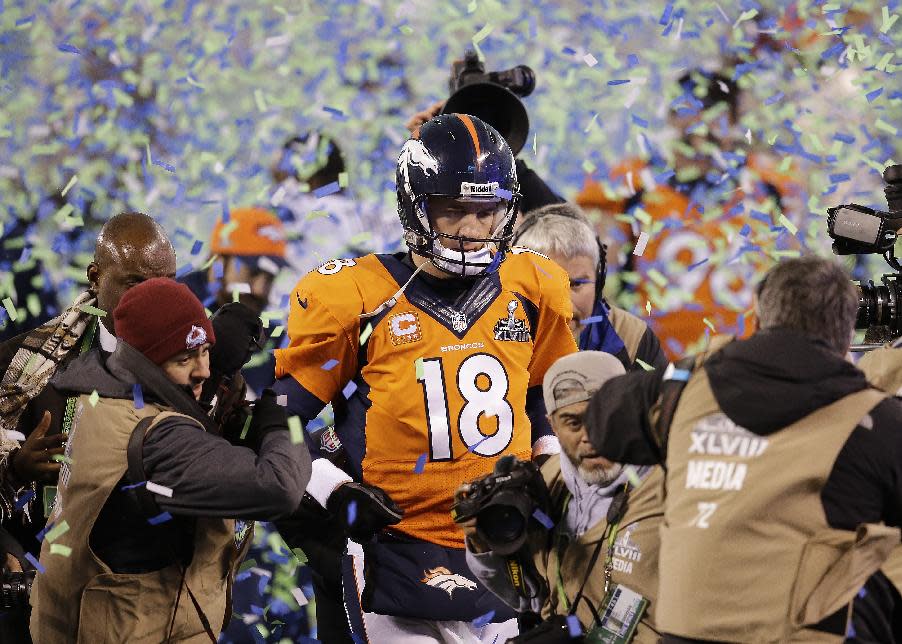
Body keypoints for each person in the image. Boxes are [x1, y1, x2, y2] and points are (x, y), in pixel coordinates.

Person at [272, 113, 577, 642]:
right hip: (394, 546)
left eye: (487, 212)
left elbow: (541, 397)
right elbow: (276, 420)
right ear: (415, 205)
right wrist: (330, 486)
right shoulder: (357, 295)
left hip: (504, 544)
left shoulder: (533, 284)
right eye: (453, 210)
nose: (470, 229)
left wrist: (551, 469)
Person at [585, 256, 902, 642]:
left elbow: (603, 421)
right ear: (847, 332)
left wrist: (703, 364)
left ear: (755, 319)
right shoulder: (876, 420)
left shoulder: (685, 390)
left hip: (685, 631)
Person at [29, 277, 311, 643]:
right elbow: (279, 487)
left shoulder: (101, 385)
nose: (204, 370)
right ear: (144, 363)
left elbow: (166, 396)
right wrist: (283, 418)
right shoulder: (157, 440)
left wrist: (200, 360)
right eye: (184, 358)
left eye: (205, 352)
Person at [576, 70, 801, 359]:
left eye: (713, 112)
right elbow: (600, 282)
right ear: (672, 117)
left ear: (733, 122)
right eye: (691, 111)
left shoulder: (770, 188)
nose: (702, 124)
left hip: (750, 366)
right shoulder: (634, 187)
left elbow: (793, 274)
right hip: (656, 368)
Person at [0, 212, 176, 553]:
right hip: (38, 584)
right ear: (95, 278)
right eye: (136, 283)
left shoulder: (199, 369)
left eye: (167, 283)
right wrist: (15, 469)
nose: (155, 301)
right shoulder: (17, 363)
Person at [459, 350, 664, 642]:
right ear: (552, 424)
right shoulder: (548, 481)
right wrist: (483, 543)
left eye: (603, 418)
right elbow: (528, 597)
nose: (590, 436)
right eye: (573, 422)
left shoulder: (670, 484)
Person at [512, 203, 666, 371]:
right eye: (548, 286)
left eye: (577, 284)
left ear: (598, 280)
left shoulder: (633, 338)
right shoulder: (488, 333)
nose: (566, 306)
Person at [182, 206, 286, 397]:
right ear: (219, 262)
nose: (260, 290)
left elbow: (286, 406)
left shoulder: (273, 339)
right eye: (253, 272)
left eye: (270, 278)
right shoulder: (170, 309)